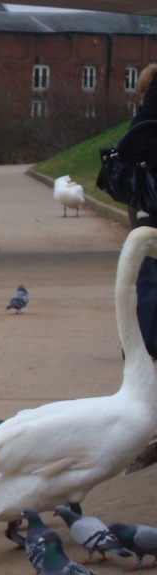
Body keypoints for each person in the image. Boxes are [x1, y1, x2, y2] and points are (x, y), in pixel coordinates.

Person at [131, 62, 157, 359]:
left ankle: (143, 339)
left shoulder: (146, 114)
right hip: (150, 201)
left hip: (148, 203)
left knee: (146, 272)